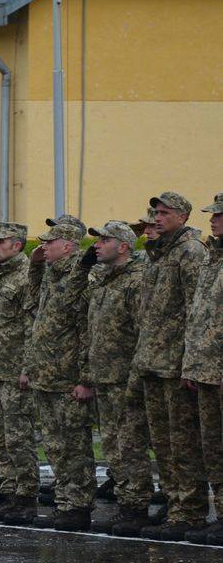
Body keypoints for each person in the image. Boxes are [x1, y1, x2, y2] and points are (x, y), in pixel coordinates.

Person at [133, 192, 209, 542]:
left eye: (164, 213)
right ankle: (175, 505)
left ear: (181, 216)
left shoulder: (190, 252)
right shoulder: (158, 252)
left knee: (183, 444)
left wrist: (190, 363)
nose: (157, 218)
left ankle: (190, 511)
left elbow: (197, 310)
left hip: (175, 364)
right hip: (152, 362)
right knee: (162, 444)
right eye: (155, 213)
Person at [74, 221, 154, 536]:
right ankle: (126, 504)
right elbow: (93, 331)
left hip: (125, 379)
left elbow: (143, 333)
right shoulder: (104, 281)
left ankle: (136, 508)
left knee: (130, 445)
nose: (97, 244)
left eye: (104, 240)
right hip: (104, 378)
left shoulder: (136, 281)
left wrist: (136, 377)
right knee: (114, 446)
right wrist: (89, 376)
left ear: (122, 246)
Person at [25, 218, 96, 531]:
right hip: (47, 375)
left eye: (49, 242)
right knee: (54, 445)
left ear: (67, 246)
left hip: (68, 378)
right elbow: (32, 310)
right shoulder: (52, 275)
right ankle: (65, 501)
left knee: (74, 446)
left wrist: (85, 378)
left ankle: (78, 505)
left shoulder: (80, 278)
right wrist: (35, 266)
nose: (43, 246)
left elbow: (84, 330)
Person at [0, 222, 39, 525]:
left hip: (15, 371)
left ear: (17, 245)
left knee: (18, 438)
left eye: (0, 242)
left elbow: (30, 327)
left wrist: (28, 368)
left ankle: (25, 498)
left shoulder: (26, 277)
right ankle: (10, 493)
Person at [181, 193, 223, 546]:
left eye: (220, 216)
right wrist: (193, 364)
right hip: (207, 369)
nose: (213, 220)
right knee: (214, 448)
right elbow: (199, 317)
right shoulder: (213, 258)